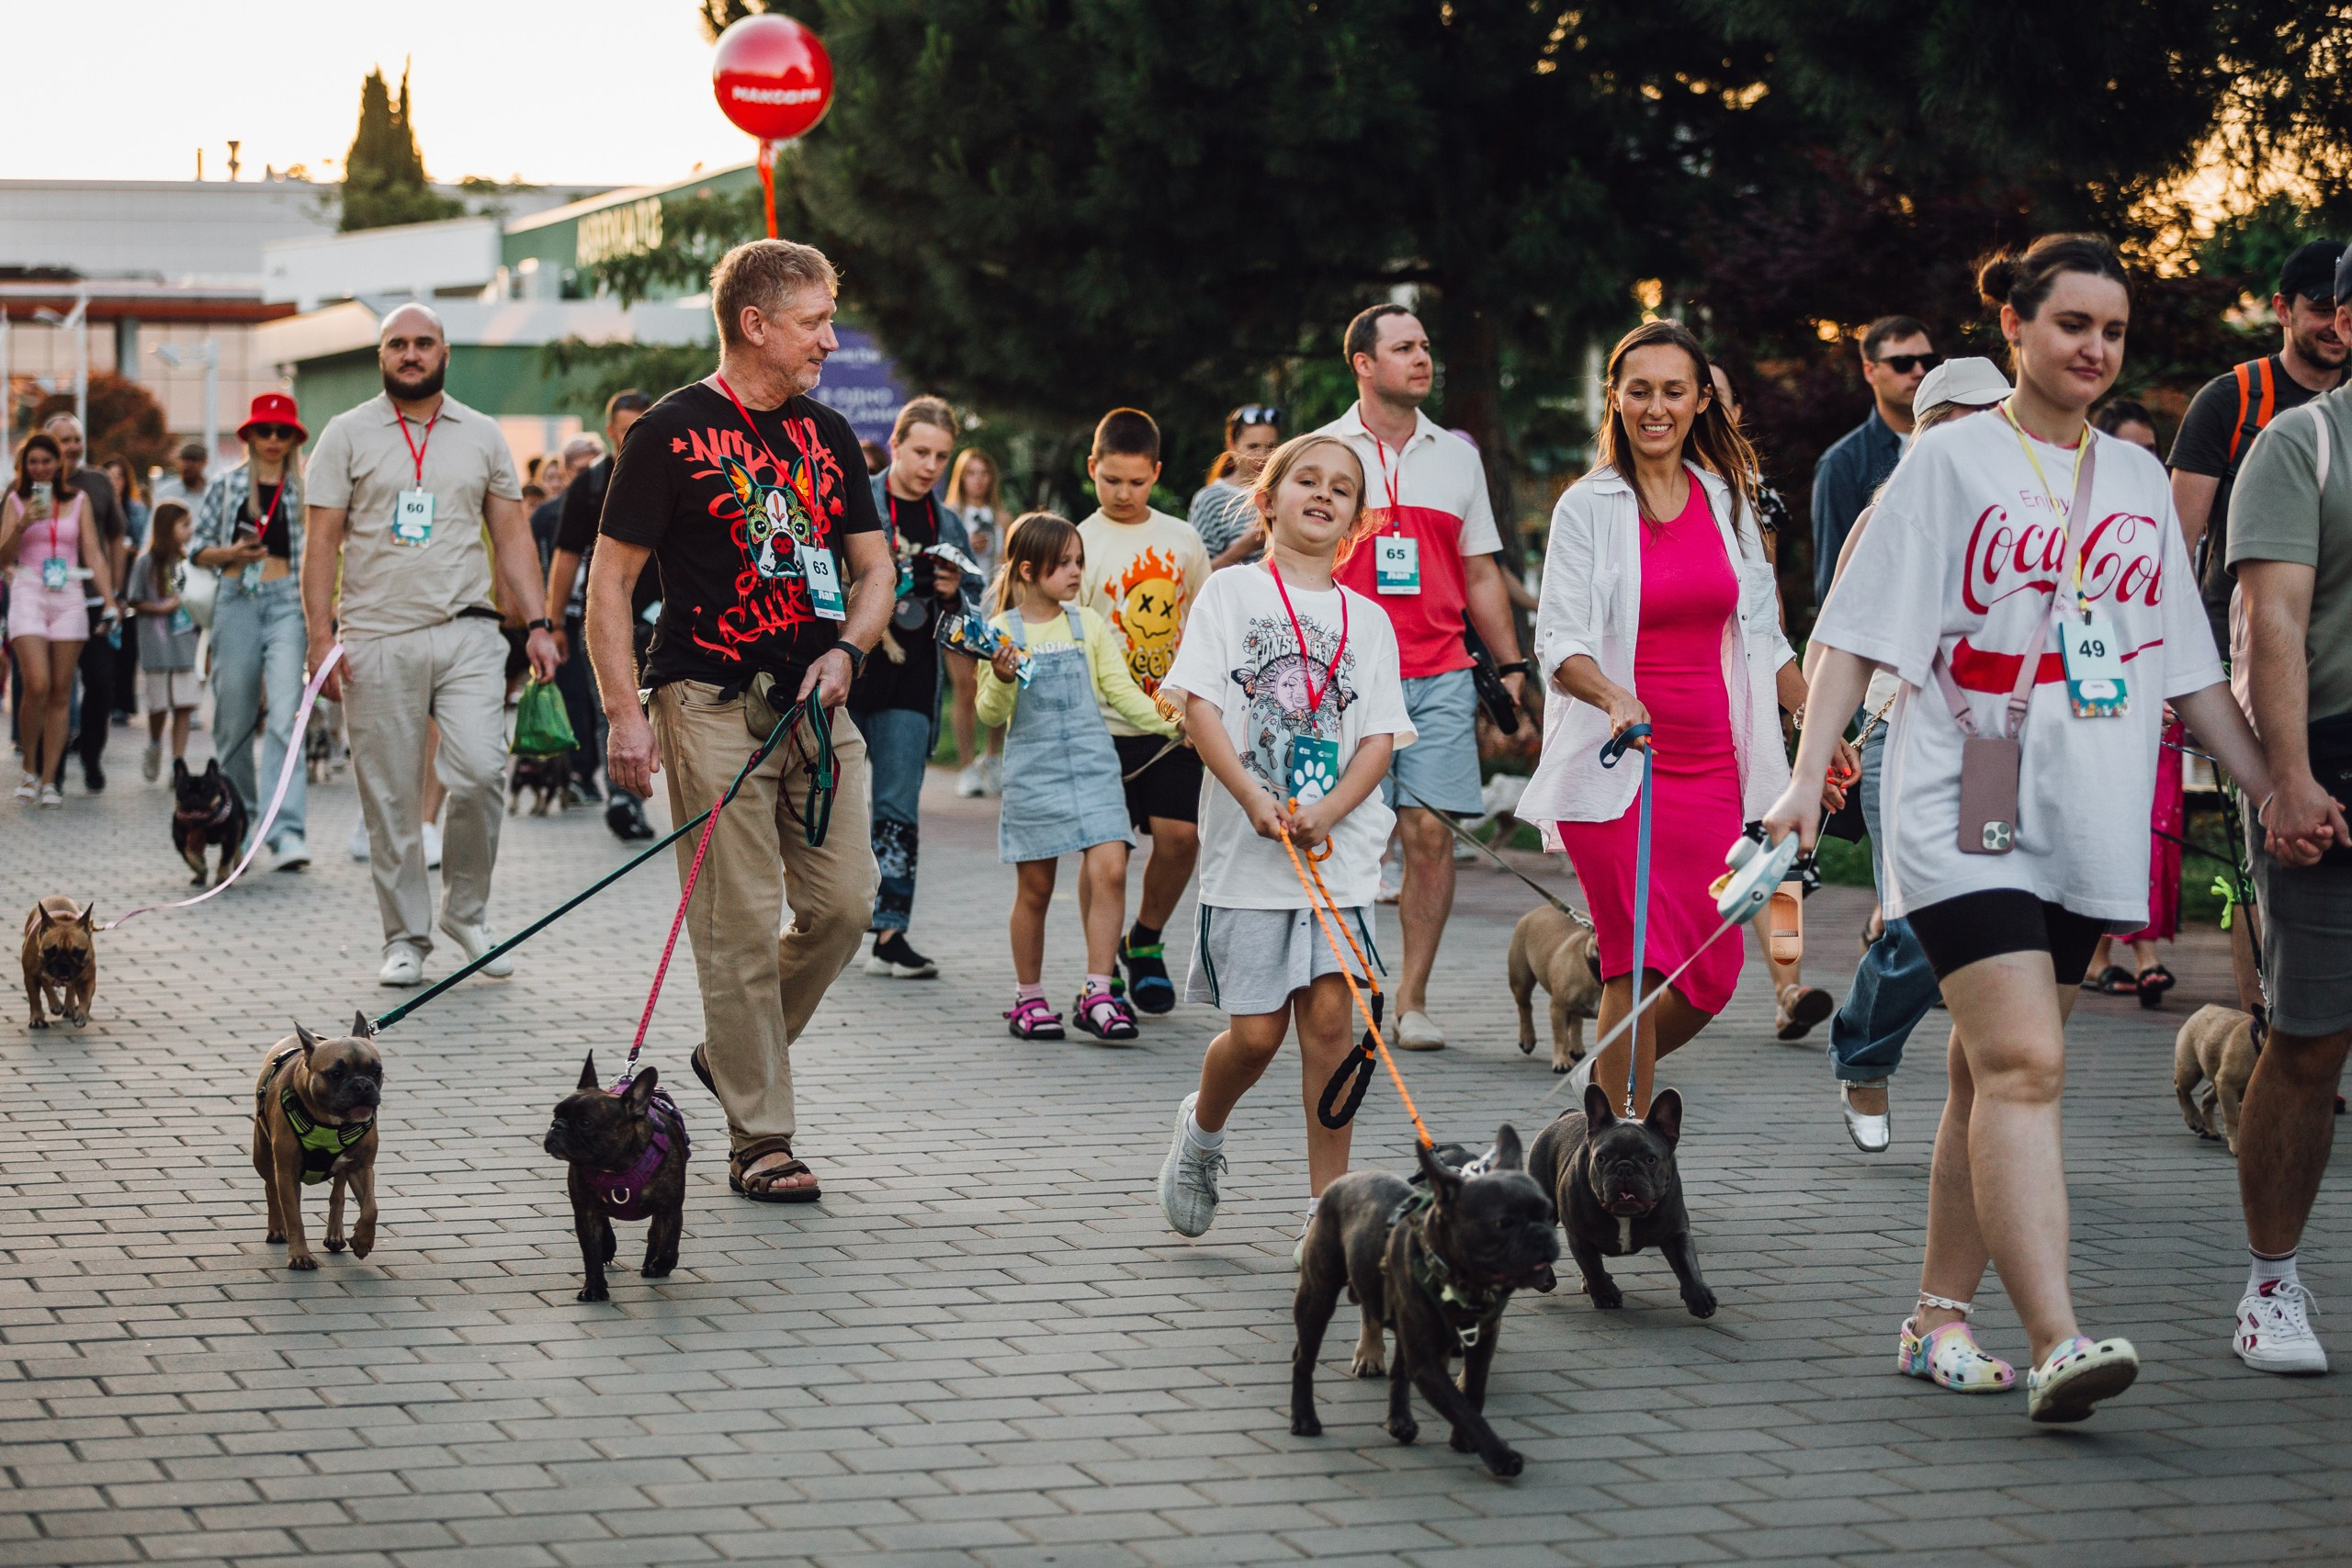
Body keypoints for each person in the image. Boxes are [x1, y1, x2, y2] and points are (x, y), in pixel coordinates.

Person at [1770, 233, 2290, 1422]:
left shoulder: (2137, 479)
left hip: (2083, 804)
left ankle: (1937, 1317)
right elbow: (1852, 631)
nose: (2094, 348)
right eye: (2071, 324)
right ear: (2014, 325)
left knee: (1982, 1067)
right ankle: (2059, 1339)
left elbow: (2187, 668)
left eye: (2112, 330)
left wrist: (2274, 788)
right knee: (2024, 1063)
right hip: (1970, 785)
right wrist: (1805, 781)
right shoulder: (1949, 460)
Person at [586, 237, 892, 1205]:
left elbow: (875, 570)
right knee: (738, 926)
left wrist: (850, 651)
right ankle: (761, 1137)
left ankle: (732, 1052)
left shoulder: (829, 433)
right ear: (755, 324)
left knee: (847, 906)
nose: (830, 341)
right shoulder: (668, 433)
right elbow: (608, 586)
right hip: (708, 702)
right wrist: (624, 715)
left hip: (818, 702)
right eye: (814, 323)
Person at [1520, 321, 1812, 1120]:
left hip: (1713, 767)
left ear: (1701, 399)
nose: (1656, 407)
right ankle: (1616, 1145)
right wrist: (1614, 696)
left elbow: (1763, 633)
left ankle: (1600, 1096)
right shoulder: (1587, 505)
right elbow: (1559, 640)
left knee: (1713, 974)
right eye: (1639, 389)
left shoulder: (1727, 500)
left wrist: (1815, 720)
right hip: (1621, 763)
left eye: (1674, 390)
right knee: (1638, 965)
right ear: (1615, 397)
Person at [1154, 431, 1412, 1245]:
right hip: (1248, 854)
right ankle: (1201, 1131)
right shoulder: (1230, 594)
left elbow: (1379, 737)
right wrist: (1251, 796)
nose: (1324, 493)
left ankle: (1326, 1209)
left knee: (1332, 1025)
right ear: (1266, 500)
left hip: (1340, 858)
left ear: (1357, 520)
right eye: (1307, 479)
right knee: (1257, 1033)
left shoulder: (1370, 621)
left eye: (1342, 486)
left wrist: (1331, 808)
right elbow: (1198, 706)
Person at [302, 303, 559, 987]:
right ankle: (405, 938)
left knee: (480, 770)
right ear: (381, 356)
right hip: (376, 635)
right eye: (398, 344)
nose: (410, 354)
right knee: (390, 798)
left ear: (445, 353)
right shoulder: (345, 434)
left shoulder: (481, 434)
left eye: (423, 343)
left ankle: (466, 913)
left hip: (469, 630)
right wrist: (319, 637)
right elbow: (320, 544)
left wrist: (538, 624)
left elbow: (512, 534)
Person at [1318, 306, 1529, 1051]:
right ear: (1363, 363)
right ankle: (1347, 986)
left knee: (1430, 835)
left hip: (1441, 672)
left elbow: (1481, 571)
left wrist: (1511, 667)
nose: (1422, 358)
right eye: (1403, 347)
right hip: (1346, 677)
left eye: (1425, 346)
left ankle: (1411, 1000)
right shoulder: (1324, 451)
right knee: (1351, 838)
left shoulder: (1457, 458)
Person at [1816, 356, 2012, 1153]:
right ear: (1933, 431)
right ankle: (1863, 1054)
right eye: (1977, 418)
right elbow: (1834, 643)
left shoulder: (2024, 522)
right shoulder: (1885, 518)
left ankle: (1999, 1084)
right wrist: (1818, 746)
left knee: (1992, 913)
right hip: (1899, 735)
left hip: (1993, 747)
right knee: (1922, 923)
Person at [2221, 238, 2352, 1378]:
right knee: (2310, 1039)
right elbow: (2273, 621)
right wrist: (2288, 779)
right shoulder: (2300, 444)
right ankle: (2270, 1286)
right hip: (2334, 763)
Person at [978, 512, 1178, 1041]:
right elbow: (989, 713)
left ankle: (1098, 994)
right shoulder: (999, 633)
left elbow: (1124, 692)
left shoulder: (1088, 624)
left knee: (1112, 869)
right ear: (1027, 570)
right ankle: (1028, 999)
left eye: (1079, 562)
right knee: (1036, 890)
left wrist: (1177, 722)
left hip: (1094, 768)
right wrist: (1001, 677)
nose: (1075, 572)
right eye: (1063, 563)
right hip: (1034, 774)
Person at [1709, 361, 1835, 1041]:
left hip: (1756, 685)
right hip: (1679, 699)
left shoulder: (1754, 496)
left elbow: (1766, 603)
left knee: (1774, 847)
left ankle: (1789, 987)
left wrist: (1801, 709)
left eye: (1716, 399)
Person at [1076, 408, 1214, 1015]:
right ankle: (1100, 972)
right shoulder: (1079, 542)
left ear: (1156, 472)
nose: (1123, 493)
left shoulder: (1183, 540)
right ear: (1092, 468)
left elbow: (1206, 630)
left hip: (1170, 725)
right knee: (1107, 859)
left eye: (1136, 481)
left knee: (1181, 839)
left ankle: (1146, 939)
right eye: (1111, 480)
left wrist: (1200, 709)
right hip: (1099, 726)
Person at [2172, 238, 2346, 655]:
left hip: (2334, 656)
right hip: (2233, 653)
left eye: (2343, 310)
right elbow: (2175, 547)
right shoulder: (2229, 401)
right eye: (2321, 309)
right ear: (2283, 310)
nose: (2335, 324)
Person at [852, 396, 970, 978]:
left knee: (896, 810)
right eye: (921, 451)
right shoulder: (856, 500)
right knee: (825, 806)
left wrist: (952, 595)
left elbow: (969, 625)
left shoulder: (949, 524)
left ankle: (890, 933)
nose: (930, 466)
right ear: (895, 444)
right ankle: (819, 922)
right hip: (846, 673)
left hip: (913, 679)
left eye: (941, 457)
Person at [2081, 400, 2184, 1004]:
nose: (2144, 462)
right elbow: (2080, 620)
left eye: (2152, 451)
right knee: (2106, 823)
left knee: (2154, 828)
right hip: (2093, 703)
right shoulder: (2074, 516)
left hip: (2156, 697)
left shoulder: (2164, 519)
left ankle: (2143, 951)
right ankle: (2094, 953)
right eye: (2130, 449)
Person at [194, 393, 315, 870]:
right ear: (249, 436)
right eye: (264, 430)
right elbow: (197, 548)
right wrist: (231, 554)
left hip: (289, 604)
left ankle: (286, 831)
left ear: (294, 439)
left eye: (282, 432)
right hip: (236, 600)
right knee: (234, 717)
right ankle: (239, 821)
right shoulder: (225, 486)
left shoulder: (305, 492)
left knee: (287, 717)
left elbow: (322, 555)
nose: (273, 439)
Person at [546, 392, 654, 834]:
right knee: (614, 707)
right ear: (610, 431)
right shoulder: (590, 485)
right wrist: (553, 623)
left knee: (672, 713)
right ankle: (624, 799)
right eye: (626, 430)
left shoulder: (671, 473)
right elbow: (565, 557)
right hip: (607, 618)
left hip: (669, 620)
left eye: (642, 427)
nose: (634, 438)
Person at [2, 433, 111, 806]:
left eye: (46, 461)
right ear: (24, 466)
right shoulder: (15, 500)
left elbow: (93, 552)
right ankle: (28, 768)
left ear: (57, 464)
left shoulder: (78, 500)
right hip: (29, 590)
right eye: (33, 462)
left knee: (62, 690)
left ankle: (50, 780)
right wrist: (22, 524)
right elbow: (2, 558)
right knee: (37, 683)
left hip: (69, 594)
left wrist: (110, 600)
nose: (40, 468)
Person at [1812, 316, 1937, 609]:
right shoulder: (1842, 463)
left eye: (1928, 361)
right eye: (1903, 363)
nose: (1919, 372)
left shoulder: (1956, 447)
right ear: (1870, 371)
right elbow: (1834, 581)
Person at [44, 415, 129, 794]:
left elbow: (115, 539)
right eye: (64, 440)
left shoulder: (98, 482)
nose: (73, 446)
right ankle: (53, 768)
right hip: (50, 599)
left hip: (95, 599)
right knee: (55, 687)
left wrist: (118, 593)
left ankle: (91, 754)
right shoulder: (35, 483)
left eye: (77, 439)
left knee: (100, 682)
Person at [946, 446, 1006, 798]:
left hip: (994, 610)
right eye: (971, 473)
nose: (978, 480)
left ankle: (993, 757)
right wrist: (965, 545)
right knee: (964, 689)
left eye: (984, 473)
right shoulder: (949, 516)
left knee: (998, 683)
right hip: (958, 609)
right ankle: (967, 766)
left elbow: (1008, 564)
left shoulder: (1002, 518)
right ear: (961, 477)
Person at [127, 501, 198, 777]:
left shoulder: (189, 561)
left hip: (185, 643)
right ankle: (155, 743)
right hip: (156, 646)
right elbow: (135, 600)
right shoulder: (146, 562)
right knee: (158, 704)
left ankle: (177, 762)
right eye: (184, 524)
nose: (190, 530)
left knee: (184, 704)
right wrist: (162, 608)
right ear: (168, 527)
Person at [1190, 403, 1283, 569]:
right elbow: (1198, 574)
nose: (1262, 456)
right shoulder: (1209, 500)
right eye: (1253, 447)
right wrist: (1244, 547)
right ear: (1231, 444)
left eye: (1270, 447)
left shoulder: (1287, 491)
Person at [101, 456, 147, 725]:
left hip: (130, 580)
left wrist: (130, 548)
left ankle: (123, 703)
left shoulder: (136, 510)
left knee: (127, 646)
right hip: (103, 579)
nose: (114, 483)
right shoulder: (95, 507)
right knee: (103, 647)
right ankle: (104, 700)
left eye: (118, 477)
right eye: (109, 477)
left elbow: (145, 543)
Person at [150, 441, 209, 515]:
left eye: (194, 460)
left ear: (204, 463)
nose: (189, 465)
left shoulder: (213, 492)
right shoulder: (166, 494)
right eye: (185, 460)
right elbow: (155, 521)